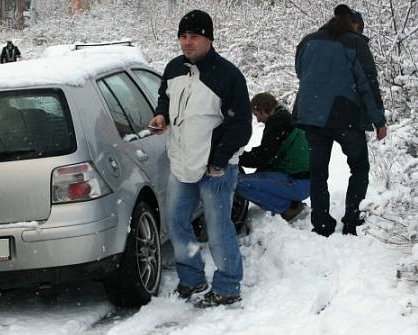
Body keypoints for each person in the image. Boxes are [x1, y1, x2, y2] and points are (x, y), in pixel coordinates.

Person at [149, 9, 252, 308]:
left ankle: (228, 285)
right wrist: (161, 115)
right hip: (181, 161)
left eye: (194, 36)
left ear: (209, 38)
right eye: (183, 36)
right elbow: (166, 98)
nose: (187, 42)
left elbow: (240, 126)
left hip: (215, 167)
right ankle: (192, 278)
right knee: (177, 222)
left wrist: (218, 160)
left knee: (218, 228)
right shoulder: (173, 69)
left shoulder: (228, 76)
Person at [293, 4, 387, 237]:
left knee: (318, 172)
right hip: (346, 117)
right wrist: (379, 120)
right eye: (359, 26)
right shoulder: (355, 43)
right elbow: (368, 83)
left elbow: (301, 72)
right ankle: (352, 220)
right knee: (359, 168)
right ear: (353, 24)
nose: (359, 30)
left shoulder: (308, 41)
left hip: (312, 116)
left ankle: (322, 223)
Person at [236, 93, 310, 222]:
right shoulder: (283, 118)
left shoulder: (278, 123)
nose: (258, 120)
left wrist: (234, 156)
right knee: (255, 177)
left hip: (298, 183)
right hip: (304, 180)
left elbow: (261, 157)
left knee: (237, 184)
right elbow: (267, 157)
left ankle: (289, 209)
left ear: (265, 109)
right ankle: (290, 203)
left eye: (257, 114)